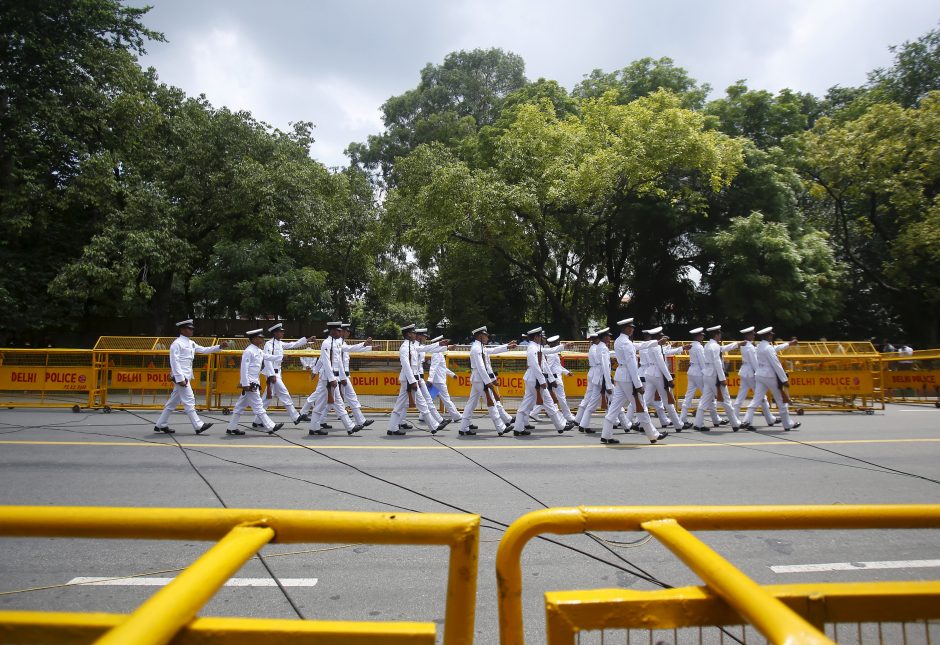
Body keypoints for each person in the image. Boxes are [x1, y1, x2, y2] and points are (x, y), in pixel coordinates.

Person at [154, 319, 228, 434]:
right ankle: (198, 425)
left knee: (172, 402)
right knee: (189, 400)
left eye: (192, 328)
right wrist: (180, 379)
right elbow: (174, 362)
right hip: (181, 377)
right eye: (189, 328)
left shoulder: (191, 343)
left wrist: (219, 347)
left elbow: (204, 350)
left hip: (186, 376)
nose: (191, 330)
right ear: (182, 330)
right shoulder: (177, 343)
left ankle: (160, 424)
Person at [601, 318, 666, 444]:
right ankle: (653, 435)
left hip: (621, 377)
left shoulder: (620, 341)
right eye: (631, 327)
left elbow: (638, 345)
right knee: (641, 407)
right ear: (626, 328)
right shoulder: (626, 343)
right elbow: (632, 365)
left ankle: (606, 435)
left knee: (614, 408)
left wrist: (656, 342)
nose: (633, 329)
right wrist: (638, 385)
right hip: (629, 378)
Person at [509, 327, 572, 437]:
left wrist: (564, 346)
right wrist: (542, 381)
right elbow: (535, 366)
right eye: (541, 336)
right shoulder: (533, 348)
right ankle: (561, 425)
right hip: (535, 379)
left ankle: (518, 428)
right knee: (549, 403)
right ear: (536, 337)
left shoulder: (537, 347)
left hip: (533, 378)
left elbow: (549, 352)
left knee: (525, 405)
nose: (542, 338)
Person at [388, 324, 446, 435]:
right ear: (408, 334)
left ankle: (392, 428)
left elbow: (425, 348)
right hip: (409, 380)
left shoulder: (412, 346)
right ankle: (433, 426)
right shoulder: (405, 347)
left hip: (411, 379)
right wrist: (413, 382)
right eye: (413, 333)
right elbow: (406, 366)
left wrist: (440, 345)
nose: (415, 334)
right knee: (422, 403)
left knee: (400, 405)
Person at [225, 329, 284, 436]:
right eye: (259, 337)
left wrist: (281, 357)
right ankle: (270, 426)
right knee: (258, 406)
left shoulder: (258, 350)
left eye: (262, 337)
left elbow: (268, 357)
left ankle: (231, 428)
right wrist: (246, 384)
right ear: (253, 339)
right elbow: (244, 368)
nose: (262, 339)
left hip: (253, 382)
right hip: (251, 383)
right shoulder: (249, 351)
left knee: (239, 407)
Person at [308, 322, 363, 436]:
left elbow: (342, 359)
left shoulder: (337, 343)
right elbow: (326, 363)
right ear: (332, 331)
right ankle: (349, 426)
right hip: (327, 379)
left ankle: (348, 426)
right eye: (338, 331)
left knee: (334, 403)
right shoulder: (326, 343)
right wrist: (332, 379)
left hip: (334, 377)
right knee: (327, 404)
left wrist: (364, 344)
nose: (340, 333)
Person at [741, 327, 801, 431]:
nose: (772, 336)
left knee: (756, 399)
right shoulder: (767, 348)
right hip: (770, 376)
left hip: (760, 375)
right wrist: (784, 379)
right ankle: (787, 424)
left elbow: (775, 349)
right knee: (781, 400)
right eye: (771, 335)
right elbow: (776, 364)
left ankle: (746, 420)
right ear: (767, 336)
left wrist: (789, 344)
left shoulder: (759, 346)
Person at [459, 326, 515, 436]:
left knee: (471, 404)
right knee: (491, 402)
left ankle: (463, 428)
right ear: (480, 336)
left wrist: (507, 346)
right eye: (486, 336)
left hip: (478, 378)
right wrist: (489, 383)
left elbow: (492, 350)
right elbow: (481, 367)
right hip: (481, 379)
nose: (487, 338)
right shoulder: (476, 348)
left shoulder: (480, 347)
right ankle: (501, 427)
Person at [253, 323, 309, 427]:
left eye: (282, 331)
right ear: (275, 333)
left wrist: (307, 340)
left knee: (267, 398)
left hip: (277, 373)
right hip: (272, 374)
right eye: (280, 331)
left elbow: (293, 344)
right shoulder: (269, 344)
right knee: (284, 393)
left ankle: (257, 421)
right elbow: (267, 360)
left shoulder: (280, 343)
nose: (282, 333)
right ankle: (295, 417)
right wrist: (271, 375)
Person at [694, 325, 741, 432]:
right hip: (715, 376)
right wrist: (722, 378)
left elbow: (722, 349)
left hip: (708, 374)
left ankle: (698, 423)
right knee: (726, 400)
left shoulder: (708, 345)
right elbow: (718, 362)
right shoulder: (714, 346)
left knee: (704, 400)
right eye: (719, 334)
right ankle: (735, 423)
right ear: (716, 335)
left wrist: (737, 344)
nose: (720, 336)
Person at [642, 326, 685, 431]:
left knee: (645, 400)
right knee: (667, 400)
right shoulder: (656, 347)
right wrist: (669, 378)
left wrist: (681, 348)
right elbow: (661, 364)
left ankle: (640, 423)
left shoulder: (653, 346)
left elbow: (665, 352)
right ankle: (678, 424)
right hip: (657, 374)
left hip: (650, 373)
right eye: (661, 337)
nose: (664, 339)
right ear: (658, 337)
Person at [530, 335, 577, 425]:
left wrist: (566, 372)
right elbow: (549, 368)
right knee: (561, 398)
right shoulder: (551, 354)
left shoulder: (552, 353)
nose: (559, 343)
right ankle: (568, 416)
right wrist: (552, 380)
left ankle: (534, 412)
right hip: (555, 379)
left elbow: (557, 366)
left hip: (554, 377)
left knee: (546, 398)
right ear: (554, 344)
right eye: (557, 342)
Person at [574, 329, 611, 433]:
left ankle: (581, 422)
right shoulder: (599, 348)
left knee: (591, 399)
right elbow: (603, 364)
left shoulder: (595, 348)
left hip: (595, 373)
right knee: (611, 399)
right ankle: (622, 422)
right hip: (599, 374)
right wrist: (608, 382)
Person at [339, 323, 374, 428]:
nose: (349, 333)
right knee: (327, 399)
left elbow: (352, 349)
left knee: (349, 398)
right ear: (342, 332)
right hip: (340, 376)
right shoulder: (338, 343)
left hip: (343, 375)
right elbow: (351, 349)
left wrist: (370, 347)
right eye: (347, 331)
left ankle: (361, 421)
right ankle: (316, 420)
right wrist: (365, 344)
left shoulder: (342, 342)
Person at [415, 328, 448, 431]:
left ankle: (439, 420)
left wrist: (443, 346)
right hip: (414, 377)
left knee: (427, 400)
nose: (425, 338)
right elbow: (429, 349)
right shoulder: (414, 346)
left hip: (418, 377)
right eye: (424, 336)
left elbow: (429, 348)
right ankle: (436, 423)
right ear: (419, 336)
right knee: (409, 403)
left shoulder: (419, 346)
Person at [428, 334, 461, 424]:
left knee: (430, 398)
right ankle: (456, 416)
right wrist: (430, 379)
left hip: (437, 380)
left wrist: (452, 374)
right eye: (442, 342)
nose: (444, 343)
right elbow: (433, 367)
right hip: (439, 381)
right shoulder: (437, 354)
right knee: (446, 399)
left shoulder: (439, 353)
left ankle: (423, 416)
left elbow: (442, 368)